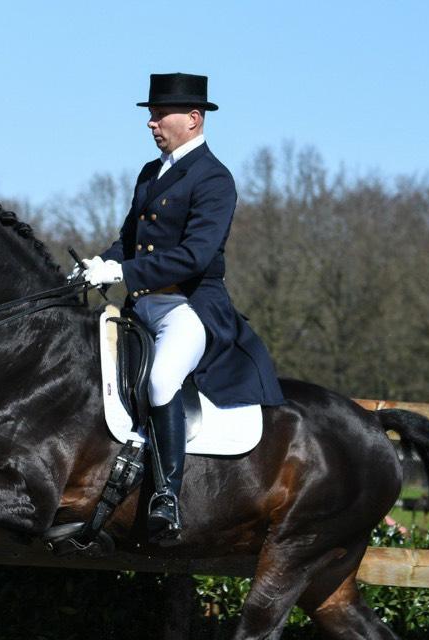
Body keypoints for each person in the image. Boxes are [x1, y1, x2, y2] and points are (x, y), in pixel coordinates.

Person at [83, 72, 285, 545]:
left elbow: (195, 256)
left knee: (160, 380)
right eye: (151, 115)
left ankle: (166, 497)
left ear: (193, 119)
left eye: (160, 115)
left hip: (188, 307)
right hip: (141, 306)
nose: (151, 123)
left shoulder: (214, 178)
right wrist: (100, 263)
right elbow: (128, 241)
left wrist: (124, 272)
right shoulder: (150, 173)